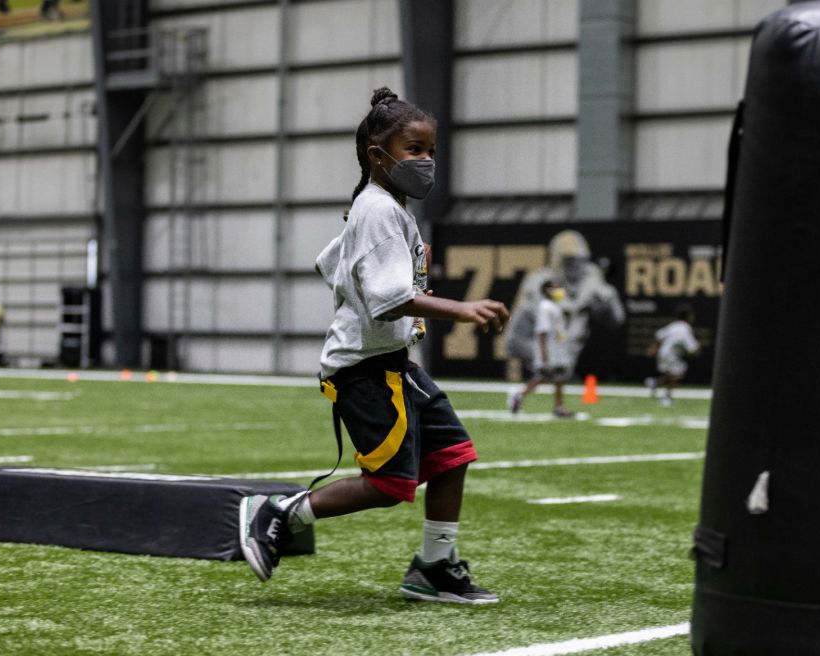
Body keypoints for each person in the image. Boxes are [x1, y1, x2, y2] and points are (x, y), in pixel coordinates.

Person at [239, 88, 509, 605]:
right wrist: (463, 308)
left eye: (431, 149)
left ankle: (435, 566)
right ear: (377, 154)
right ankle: (279, 512)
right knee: (388, 485)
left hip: (393, 364)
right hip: (364, 369)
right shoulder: (379, 210)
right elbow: (386, 300)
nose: (426, 161)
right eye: (414, 149)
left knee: (453, 455)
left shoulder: (382, 208)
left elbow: (328, 262)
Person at [506, 229, 625, 383]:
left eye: (579, 260)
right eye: (569, 260)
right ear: (557, 261)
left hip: (568, 354)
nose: (576, 266)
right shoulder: (540, 283)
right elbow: (518, 337)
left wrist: (609, 302)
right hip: (537, 350)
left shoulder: (591, 276)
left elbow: (616, 320)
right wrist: (547, 358)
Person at [507, 280, 572, 418]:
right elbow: (542, 331)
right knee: (542, 377)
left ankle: (558, 406)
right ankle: (518, 395)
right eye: (555, 288)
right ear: (546, 290)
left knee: (560, 377)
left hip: (557, 349)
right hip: (550, 350)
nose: (559, 290)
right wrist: (544, 355)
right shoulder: (545, 307)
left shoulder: (554, 306)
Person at [645, 305, 700, 407]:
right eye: (692, 315)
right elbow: (692, 348)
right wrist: (697, 347)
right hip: (671, 355)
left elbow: (659, 336)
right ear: (687, 316)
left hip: (664, 353)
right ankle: (666, 398)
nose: (693, 318)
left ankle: (655, 382)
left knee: (673, 374)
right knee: (676, 375)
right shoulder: (685, 328)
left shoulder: (674, 325)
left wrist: (653, 348)